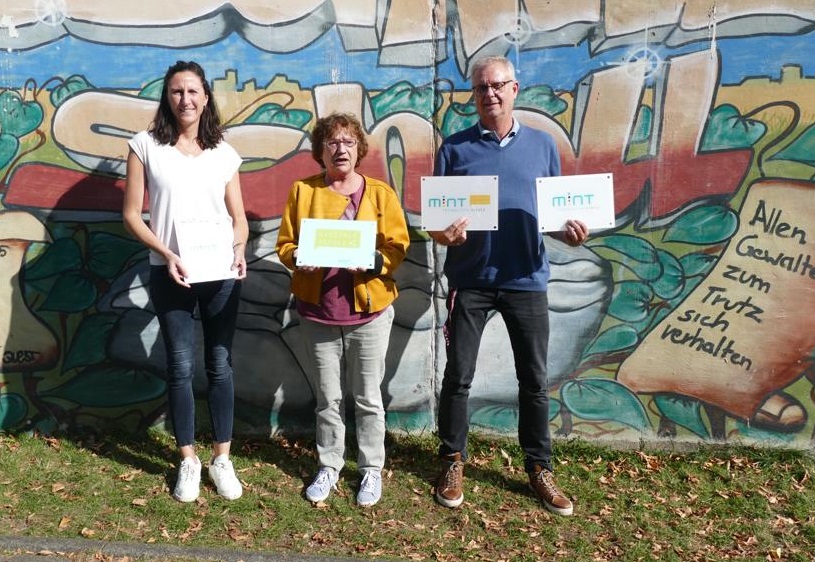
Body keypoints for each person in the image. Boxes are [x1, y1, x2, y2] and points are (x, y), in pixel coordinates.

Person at [429, 55, 589, 516]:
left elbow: (556, 217)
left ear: (515, 89)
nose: (489, 94)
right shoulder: (454, 149)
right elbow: (438, 225)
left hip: (526, 279)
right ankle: (452, 460)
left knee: (534, 382)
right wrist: (446, 234)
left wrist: (571, 232)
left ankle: (540, 468)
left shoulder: (543, 146)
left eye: (497, 85)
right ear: (473, 96)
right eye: (481, 88)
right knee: (458, 377)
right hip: (470, 281)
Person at [123, 60, 248, 503]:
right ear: (167, 97)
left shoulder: (224, 153)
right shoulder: (145, 146)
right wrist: (166, 254)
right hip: (169, 272)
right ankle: (189, 460)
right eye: (176, 91)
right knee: (180, 365)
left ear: (206, 97)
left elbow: (240, 219)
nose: (185, 99)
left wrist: (237, 248)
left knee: (220, 363)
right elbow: (131, 215)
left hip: (220, 274)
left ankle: (222, 458)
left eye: (193, 91)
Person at [276, 112, 409, 507]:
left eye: (348, 141)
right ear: (320, 150)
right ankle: (329, 465)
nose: (340, 149)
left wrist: (372, 262)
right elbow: (285, 244)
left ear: (359, 148)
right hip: (318, 313)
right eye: (332, 142)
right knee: (328, 398)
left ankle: (370, 469)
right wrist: (299, 257)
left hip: (369, 312)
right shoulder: (303, 191)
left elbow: (397, 246)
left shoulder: (380, 193)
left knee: (368, 398)